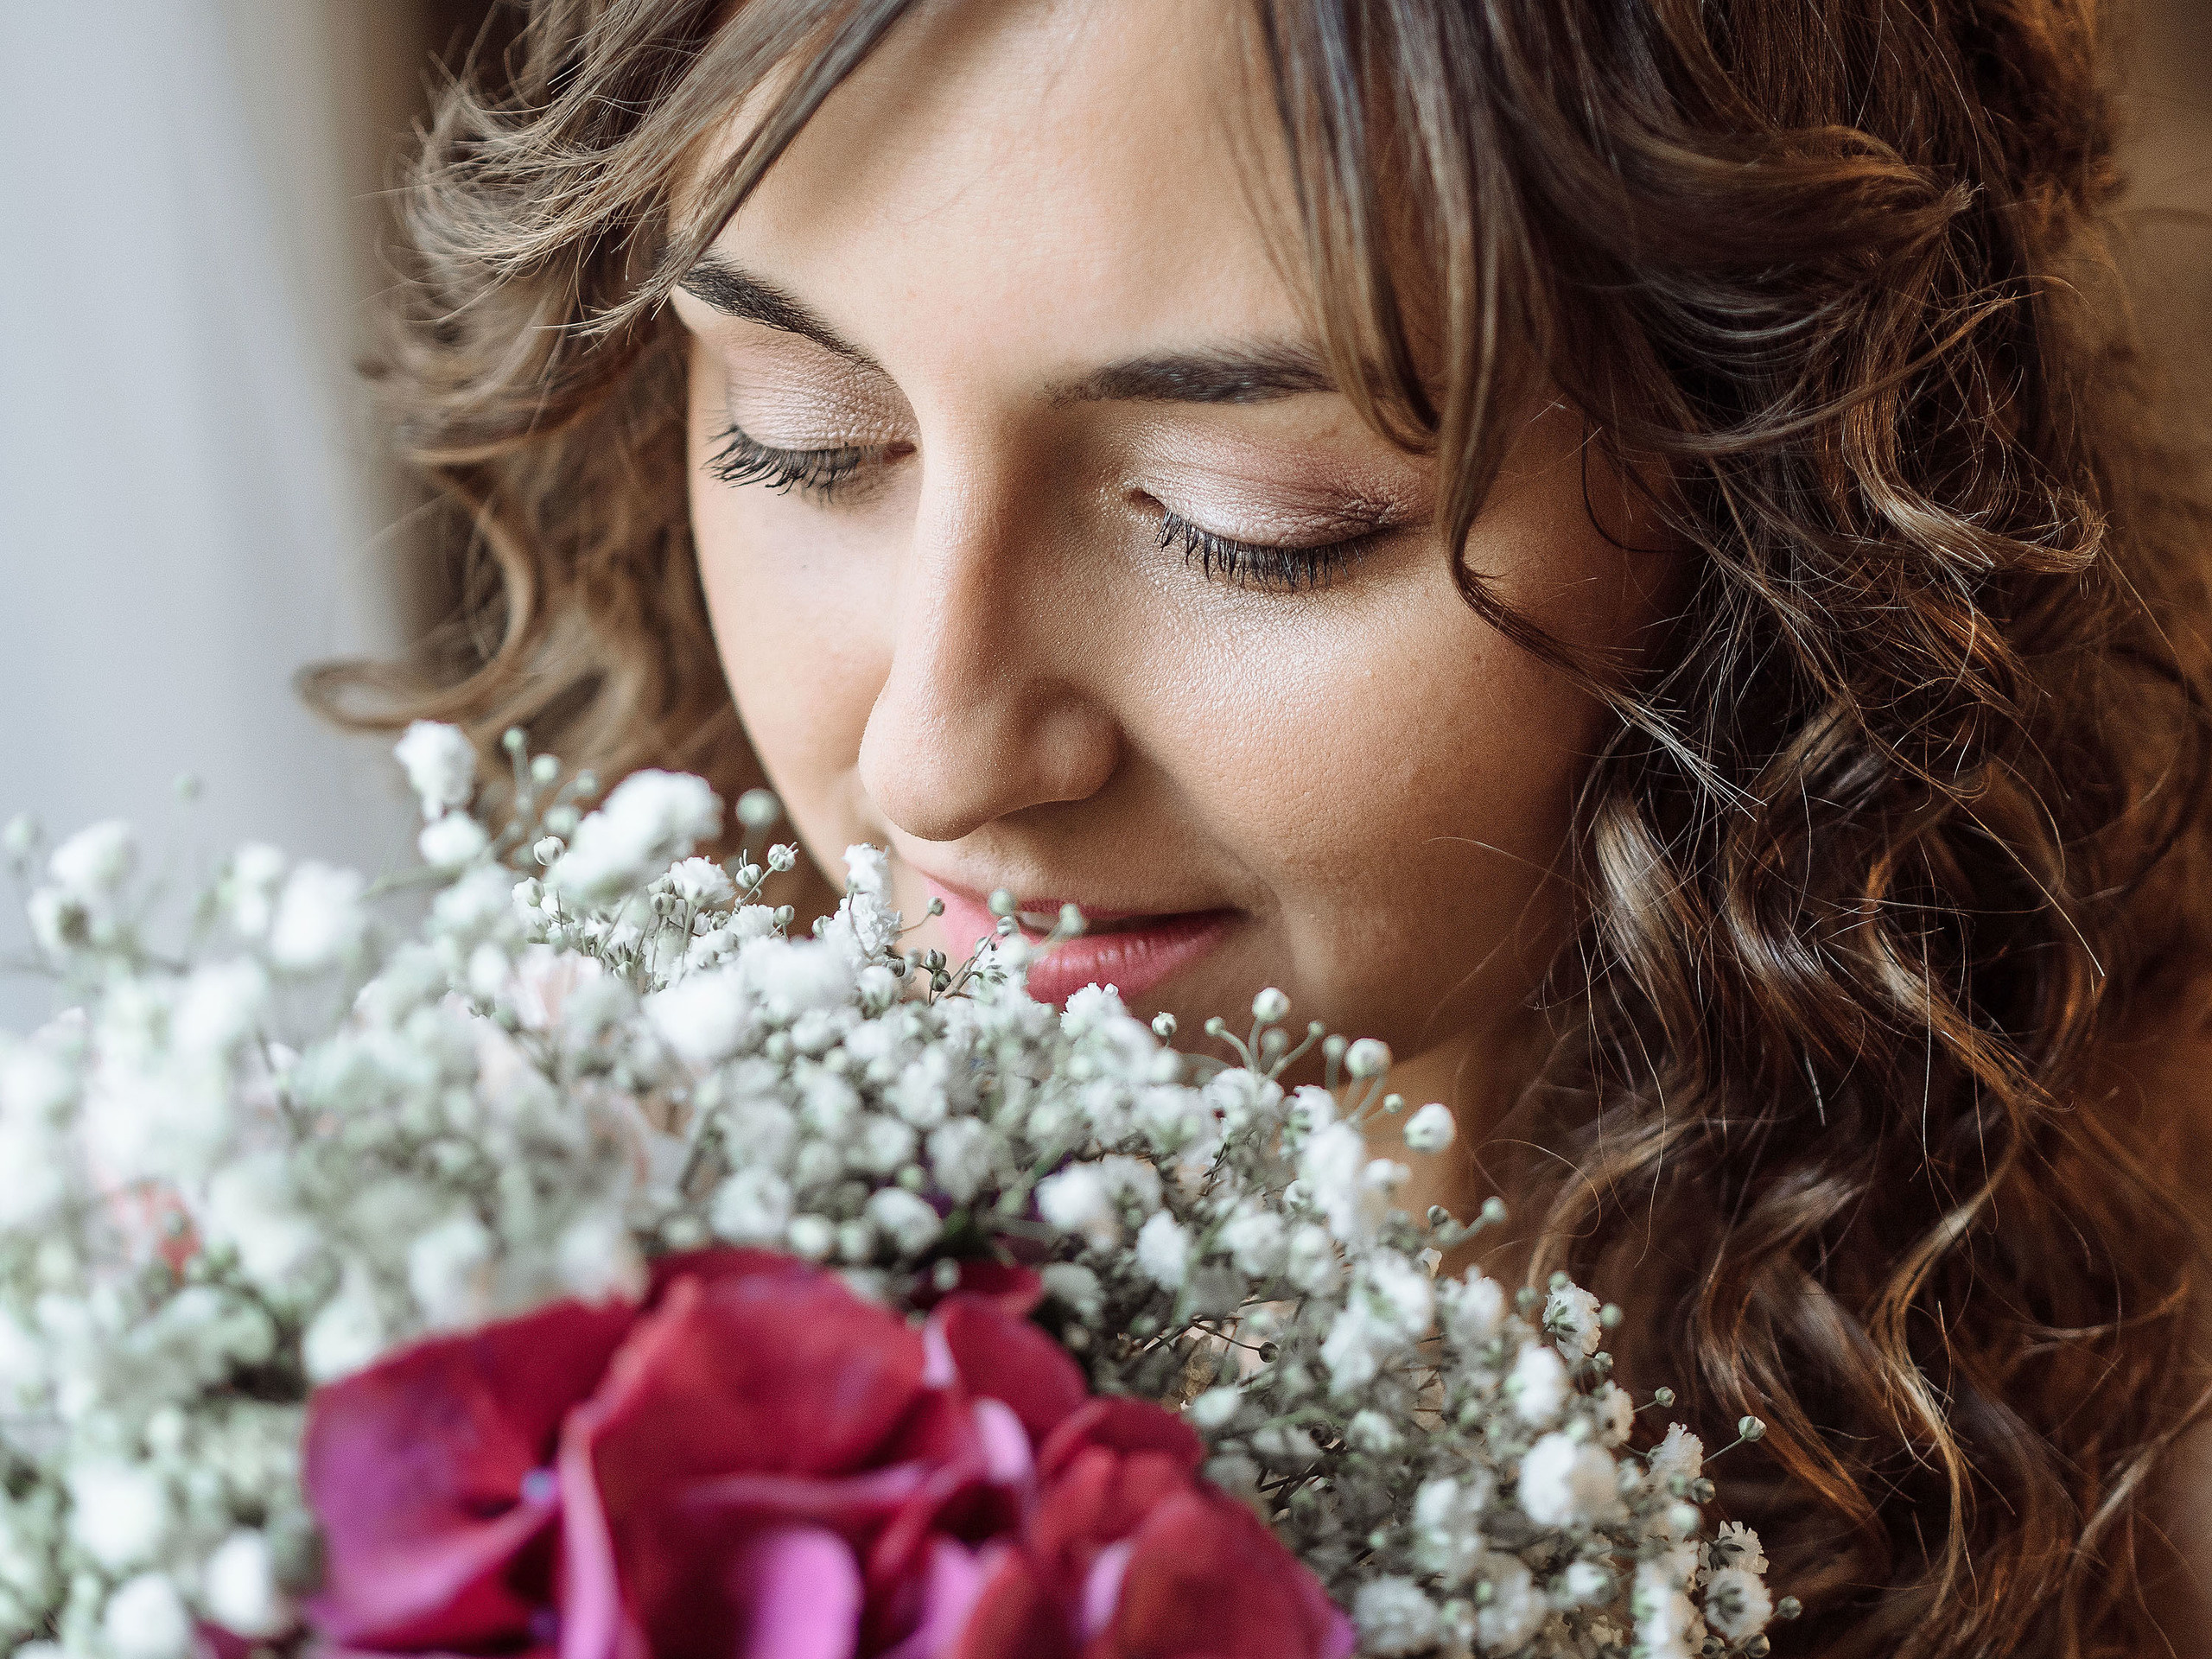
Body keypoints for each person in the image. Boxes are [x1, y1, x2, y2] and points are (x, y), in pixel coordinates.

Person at [317, 0, 2212, 1649]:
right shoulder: (471, 1315)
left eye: (1255, 522)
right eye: (801, 435)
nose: (931, 760)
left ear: (1786, 512)